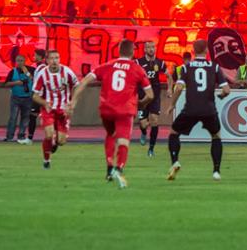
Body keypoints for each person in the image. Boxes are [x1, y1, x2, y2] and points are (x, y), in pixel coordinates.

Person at [68, 40, 153, 189]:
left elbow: (84, 82)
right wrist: (141, 104)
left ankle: (109, 167)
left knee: (110, 134)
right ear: (132, 52)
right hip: (125, 110)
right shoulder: (137, 69)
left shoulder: (106, 66)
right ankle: (119, 169)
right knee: (123, 141)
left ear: (119, 51)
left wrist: (73, 102)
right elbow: (150, 95)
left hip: (106, 109)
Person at [166, 39, 230, 181]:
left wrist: (171, 105)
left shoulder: (186, 67)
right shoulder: (214, 67)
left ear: (193, 51)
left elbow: (179, 87)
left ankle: (175, 161)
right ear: (207, 50)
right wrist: (221, 95)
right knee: (216, 136)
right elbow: (226, 89)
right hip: (209, 109)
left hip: (191, 109)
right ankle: (216, 171)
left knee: (174, 133)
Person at [31, 50, 79, 169]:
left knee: (61, 141)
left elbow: (77, 87)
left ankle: (56, 143)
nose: (54, 61)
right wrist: (44, 103)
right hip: (48, 109)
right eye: (51, 58)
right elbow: (35, 95)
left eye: (57, 58)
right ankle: (46, 161)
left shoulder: (67, 72)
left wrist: (72, 103)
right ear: (47, 61)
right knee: (48, 134)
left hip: (63, 110)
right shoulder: (42, 74)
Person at [136, 41, 165, 157]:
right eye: (148, 47)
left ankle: (151, 149)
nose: (151, 49)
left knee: (154, 120)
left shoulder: (160, 62)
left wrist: (169, 89)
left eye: (153, 47)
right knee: (143, 123)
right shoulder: (138, 62)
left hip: (155, 96)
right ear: (144, 49)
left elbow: (168, 75)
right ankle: (143, 132)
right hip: (142, 97)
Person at [3, 55, 34, 144]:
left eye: (21, 60)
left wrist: (26, 72)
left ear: (25, 61)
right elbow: (6, 84)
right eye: (18, 61)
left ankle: (21, 136)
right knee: (13, 117)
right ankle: (9, 136)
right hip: (16, 98)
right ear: (15, 62)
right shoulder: (13, 71)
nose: (19, 62)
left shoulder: (31, 69)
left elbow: (33, 78)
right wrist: (16, 83)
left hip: (27, 97)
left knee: (25, 118)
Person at [27, 49, 46, 141]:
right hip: (38, 94)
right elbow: (34, 79)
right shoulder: (38, 67)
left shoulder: (42, 67)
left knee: (33, 115)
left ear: (40, 56)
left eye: (35, 55)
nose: (33, 57)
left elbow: (43, 81)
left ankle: (30, 138)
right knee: (33, 116)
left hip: (40, 95)